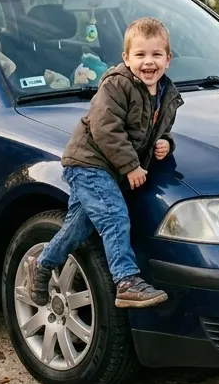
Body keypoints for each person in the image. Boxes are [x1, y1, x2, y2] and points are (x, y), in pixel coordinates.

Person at [30, 17, 182, 308]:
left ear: (168, 58)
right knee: (114, 217)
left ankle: (42, 263)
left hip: (110, 169)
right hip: (90, 163)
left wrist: (167, 142)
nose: (148, 62)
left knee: (78, 227)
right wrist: (130, 166)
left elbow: (155, 130)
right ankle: (126, 281)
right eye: (140, 55)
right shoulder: (116, 85)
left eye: (156, 55)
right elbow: (105, 128)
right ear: (126, 57)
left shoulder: (166, 93)